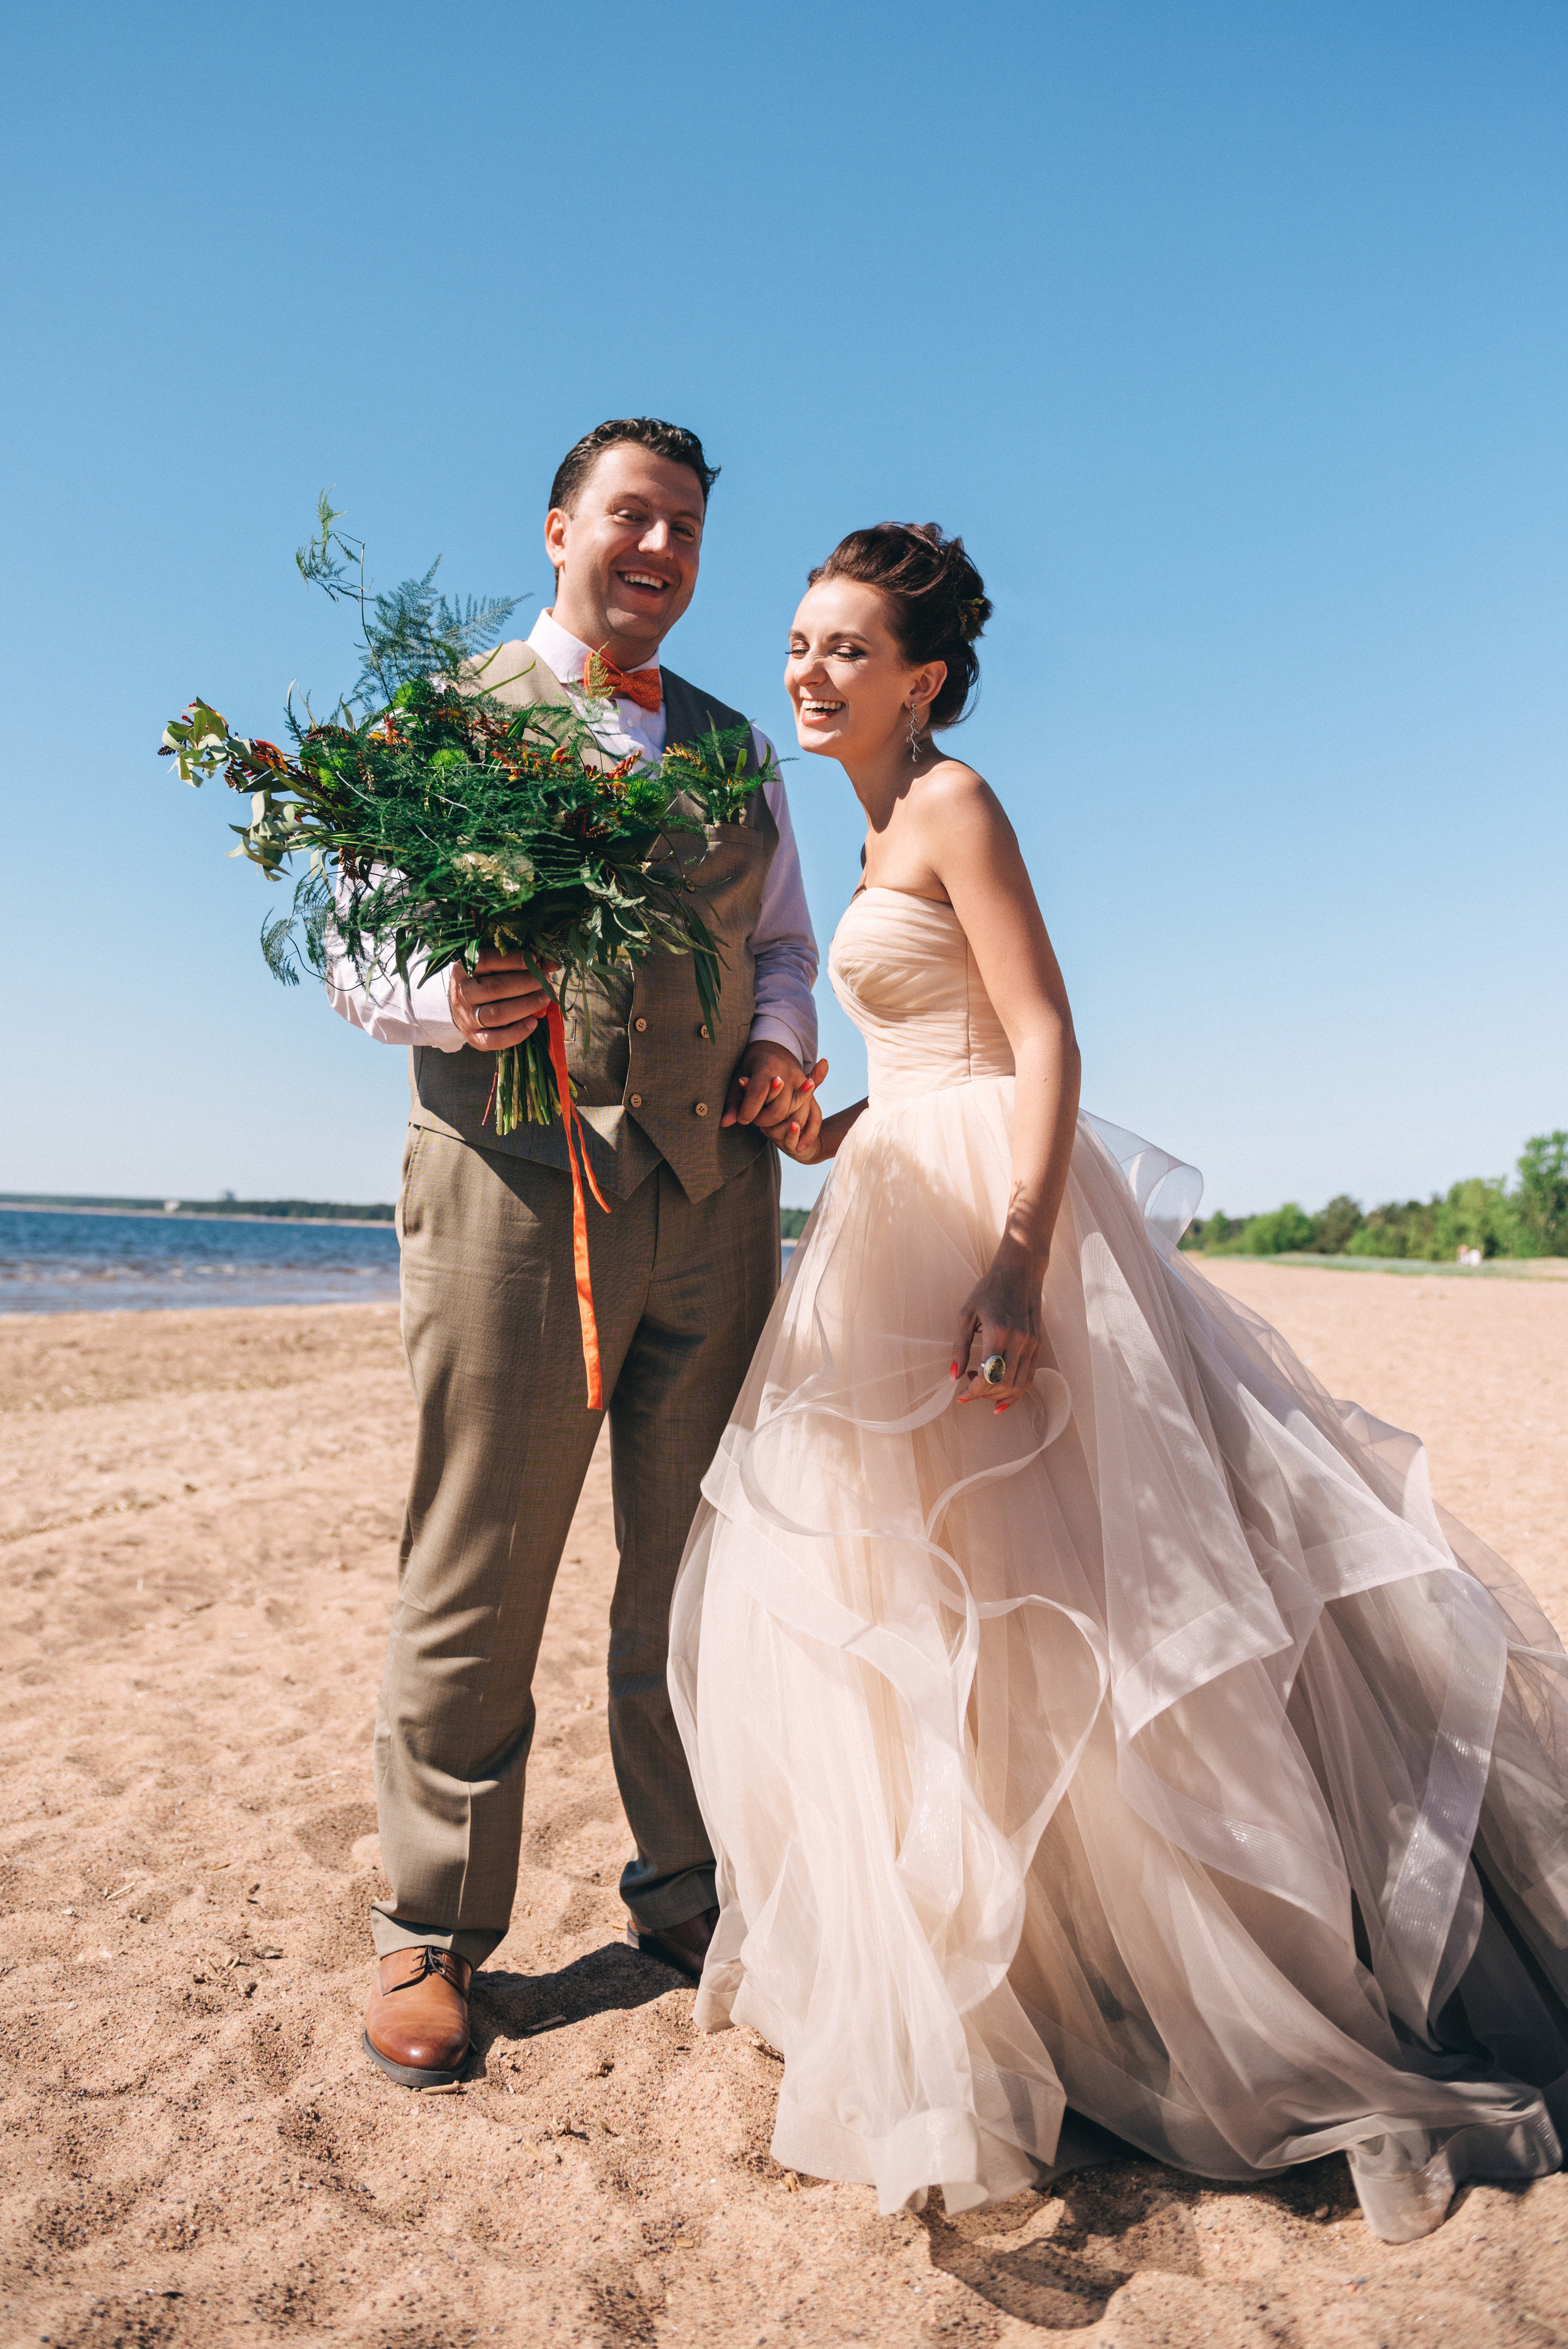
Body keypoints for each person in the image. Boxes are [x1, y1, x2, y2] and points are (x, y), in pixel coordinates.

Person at [668, 521, 1568, 2242]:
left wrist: (1017, 1257)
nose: (806, 668)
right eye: (798, 639)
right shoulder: (860, 832)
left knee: (1058, 1598)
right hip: (894, 1200)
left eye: (845, 647)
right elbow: (937, 1061)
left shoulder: (950, 804)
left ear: (920, 678)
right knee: (938, 1608)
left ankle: (1140, 1985)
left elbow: (1048, 1037)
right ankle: (1018, 1979)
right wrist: (826, 1121)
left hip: (993, 1238)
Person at [326, 418, 821, 2087]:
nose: (661, 547)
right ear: (559, 530)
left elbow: (782, 946)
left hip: (714, 1193)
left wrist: (776, 1041)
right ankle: (431, 1929)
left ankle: (688, 1889)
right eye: (633, 515)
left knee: (698, 1574)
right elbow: (348, 938)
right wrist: (438, 995)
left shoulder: (739, 752)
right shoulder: (445, 719)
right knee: (480, 1556)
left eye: (685, 525)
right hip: (510, 1194)